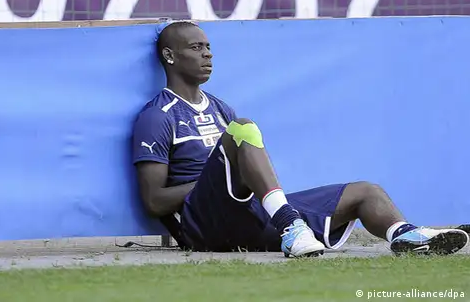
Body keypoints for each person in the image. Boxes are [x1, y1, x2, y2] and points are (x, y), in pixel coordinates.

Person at [131, 20, 468, 257]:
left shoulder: (220, 108)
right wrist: (215, 178)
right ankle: (290, 224)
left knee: (366, 192)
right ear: (170, 56)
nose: (208, 54)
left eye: (208, 47)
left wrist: (242, 179)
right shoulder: (157, 116)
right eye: (196, 47)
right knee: (244, 128)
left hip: (249, 216)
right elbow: (154, 202)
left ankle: (405, 237)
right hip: (205, 227)